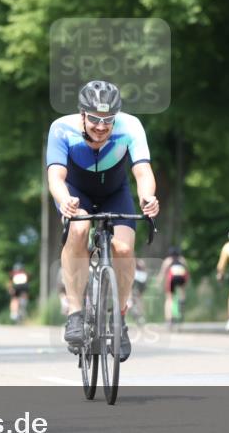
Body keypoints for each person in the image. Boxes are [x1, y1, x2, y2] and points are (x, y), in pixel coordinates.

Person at [47, 80, 160, 362]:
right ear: (82, 115)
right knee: (80, 227)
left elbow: (143, 171)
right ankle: (75, 312)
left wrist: (148, 198)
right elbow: (56, 177)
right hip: (76, 193)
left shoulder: (130, 126)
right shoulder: (61, 128)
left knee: (123, 250)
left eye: (107, 121)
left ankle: (119, 320)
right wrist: (65, 201)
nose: (101, 126)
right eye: (95, 119)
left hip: (115, 192)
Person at [158, 247, 190, 323]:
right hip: (181, 277)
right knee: (182, 291)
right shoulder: (182, 259)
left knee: (169, 299)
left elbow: (162, 273)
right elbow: (187, 271)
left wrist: (158, 282)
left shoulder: (168, 260)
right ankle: (182, 301)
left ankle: (169, 318)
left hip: (172, 278)